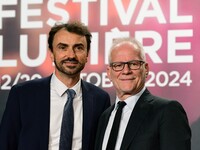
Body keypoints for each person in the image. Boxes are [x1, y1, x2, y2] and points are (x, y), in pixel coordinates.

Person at [0, 21, 111, 150]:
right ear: (51, 53)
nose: (71, 55)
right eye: (63, 47)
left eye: (79, 48)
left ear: (87, 54)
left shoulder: (100, 99)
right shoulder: (22, 94)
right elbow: (6, 144)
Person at [94, 37, 191, 150]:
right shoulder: (104, 117)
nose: (126, 71)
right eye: (118, 65)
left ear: (146, 69)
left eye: (134, 64)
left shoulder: (167, 111)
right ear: (109, 73)